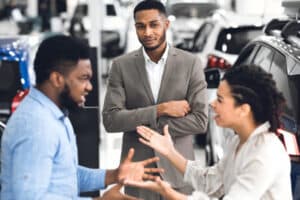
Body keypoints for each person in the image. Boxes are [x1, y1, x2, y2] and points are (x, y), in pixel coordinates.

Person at [0, 35, 162, 200]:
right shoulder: (36, 125)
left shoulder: (54, 115)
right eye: (83, 78)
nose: (89, 87)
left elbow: (66, 176)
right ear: (57, 79)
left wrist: (114, 175)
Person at [125, 65, 293, 200]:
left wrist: (172, 195)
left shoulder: (264, 154)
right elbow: (210, 182)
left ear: (243, 110)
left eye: (220, 100)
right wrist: (170, 152)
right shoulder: (238, 142)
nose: (212, 104)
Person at [102, 0, 208, 199]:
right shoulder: (121, 66)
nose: (148, 32)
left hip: (179, 173)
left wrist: (143, 127)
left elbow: (201, 121)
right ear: (134, 27)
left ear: (166, 24)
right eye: (141, 27)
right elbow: (111, 120)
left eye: (154, 25)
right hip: (139, 175)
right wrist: (160, 109)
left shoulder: (191, 63)